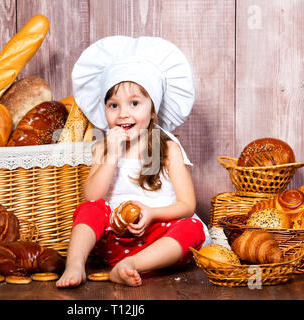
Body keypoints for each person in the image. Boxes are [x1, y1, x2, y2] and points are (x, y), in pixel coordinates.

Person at [56, 36, 211, 288]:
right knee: (89, 210)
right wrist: (112, 156)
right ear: (104, 108)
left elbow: (186, 204)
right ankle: (75, 264)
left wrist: (152, 214)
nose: (123, 113)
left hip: (161, 240)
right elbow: (92, 195)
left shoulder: (168, 147)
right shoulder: (103, 147)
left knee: (192, 227)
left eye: (134, 103)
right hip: (115, 241)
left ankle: (131, 266)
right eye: (113, 105)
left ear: (152, 110)